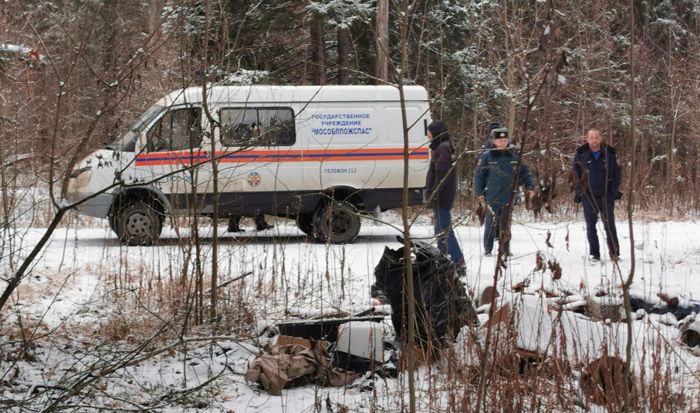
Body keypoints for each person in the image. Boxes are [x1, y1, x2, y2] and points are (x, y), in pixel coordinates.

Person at [474, 128, 535, 257]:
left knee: (506, 224)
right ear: (494, 141)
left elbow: (525, 172)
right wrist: (479, 193)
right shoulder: (487, 156)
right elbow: (479, 175)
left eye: (505, 140)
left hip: (509, 195)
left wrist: (530, 187)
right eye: (500, 140)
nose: (502, 142)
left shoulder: (513, 156)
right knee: (490, 223)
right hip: (492, 196)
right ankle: (488, 249)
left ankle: (505, 249)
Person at [572, 128, 621, 262]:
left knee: (609, 225)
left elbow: (617, 174)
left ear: (600, 138)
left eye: (596, 137)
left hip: (606, 196)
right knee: (590, 226)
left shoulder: (610, 154)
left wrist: (613, 192)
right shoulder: (580, 154)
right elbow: (575, 175)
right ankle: (595, 254)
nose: (594, 140)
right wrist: (580, 192)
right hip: (588, 196)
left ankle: (615, 253)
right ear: (587, 139)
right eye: (591, 137)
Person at [424, 120, 465, 271]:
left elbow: (441, 175)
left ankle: (458, 262)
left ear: (436, 133)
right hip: (441, 195)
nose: (428, 135)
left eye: (430, 132)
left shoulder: (442, 148)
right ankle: (441, 259)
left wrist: (434, 193)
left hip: (442, 196)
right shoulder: (443, 146)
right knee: (440, 230)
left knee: (446, 230)